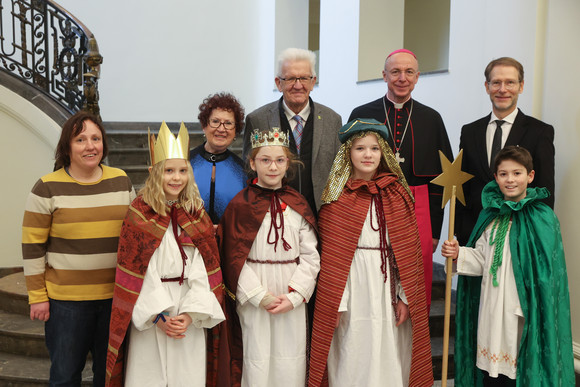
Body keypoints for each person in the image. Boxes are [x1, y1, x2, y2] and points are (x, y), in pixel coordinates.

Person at [309, 119, 433, 387]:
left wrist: (404, 296)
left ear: (384, 153)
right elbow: (332, 259)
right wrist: (337, 303)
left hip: (387, 287)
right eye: (360, 148)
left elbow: (407, 254)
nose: (368, 155)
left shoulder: (397, 194)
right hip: (352, 287)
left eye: (374, 149)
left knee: (388, 347)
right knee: (353, 347)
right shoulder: (336, 198)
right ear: (348, 154)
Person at [105, 123, 227, 386]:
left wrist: (191, 314)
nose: (176, 178)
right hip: (151, 311)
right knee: (150, 376)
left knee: (188, 376)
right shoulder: (139, 214)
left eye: (182, 171)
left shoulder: (196, 213)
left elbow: (203, 266)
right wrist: (158, 316)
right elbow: (137, 270)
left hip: (188, 309)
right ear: (154, 173)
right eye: (169, 171)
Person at [442, 146, 573, 386]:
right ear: (495, 178)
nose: (510, 179)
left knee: (517, 370)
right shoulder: (490, 216)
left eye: (517, 173)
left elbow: (547, 274)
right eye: (503, 174)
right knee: (492, 373)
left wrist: (534, 302)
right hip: (491, 308)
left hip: (521, 310)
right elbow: (482, 259)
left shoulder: (543, 217)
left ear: (530, 176)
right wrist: (458, 253)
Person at [21, 111, 134, 386]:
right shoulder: (46, 188)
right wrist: (37, 296)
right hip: (66, 304)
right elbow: (32, 247)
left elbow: (135, 238)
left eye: (96, 138)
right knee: (65, 376)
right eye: (80, 139)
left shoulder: (121, 180)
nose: (90, 146)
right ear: (67, 147)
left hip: (114, 299)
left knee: (108, 377)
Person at [348, 48, 453, 308]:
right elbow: (346, 171)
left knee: (411, 285)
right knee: (374, 278)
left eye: (409, 72)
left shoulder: (432, 119)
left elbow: (443, 181)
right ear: (384, 75)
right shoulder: (362, 114)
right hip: (370, 208)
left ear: (417, 77)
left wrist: (435, 230)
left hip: (418, 210)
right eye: (395, 72)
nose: (402, 78)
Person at [219, 127, 320, 387]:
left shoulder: (298, 204)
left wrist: (296, 295)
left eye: (279, 160)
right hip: (255, 293)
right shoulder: (239, 205)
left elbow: (311, 255)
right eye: (265, 160)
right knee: (256, 357)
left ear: (288, 164)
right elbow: (232, 256)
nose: (272, 167)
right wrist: (258, 296)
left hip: (290, 290)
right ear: (252, 163)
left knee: (291, 358)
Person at [456, 57, 555, 246]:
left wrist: (539, 234)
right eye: (496, 83)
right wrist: (459, 231)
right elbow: (463, 185)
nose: (503, 89)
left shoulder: (540, 132)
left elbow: (545, 189)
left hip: (520, 234)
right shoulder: (469, 131)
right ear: (487, 86)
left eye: (510, 82)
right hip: (475, 232)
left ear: (521, 86)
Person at [242, 47, 342, 214]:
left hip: (321, 216)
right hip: (272, 216)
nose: (298, 85)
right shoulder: (257, 120)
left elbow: (339, 172)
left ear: (313, 81)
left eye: (304, 78)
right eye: (290, 79)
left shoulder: (332, 120)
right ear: (278, 83)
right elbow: (249, 171)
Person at [190, 92, 246, 224]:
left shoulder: (243, 171)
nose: (221, 129)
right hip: (188, 242)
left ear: (235, 130)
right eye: (215, 122)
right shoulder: (186, 163)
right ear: (204, 126)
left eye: (228, 123)